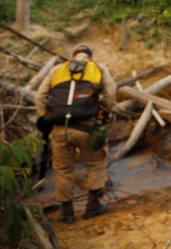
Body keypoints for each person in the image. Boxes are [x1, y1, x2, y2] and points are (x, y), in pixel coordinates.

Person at [36, 43, 116, 223]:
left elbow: (39, 97)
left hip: (60, 129)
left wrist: (45, 116)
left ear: (73, 56)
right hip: (88, 127)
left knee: (63, 170)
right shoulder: (99, 68)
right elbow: (110, 95)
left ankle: (67, 213)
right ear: (90, 57)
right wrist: (103, 114)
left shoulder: (57, 70)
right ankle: (93, 206)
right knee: (96, 164)